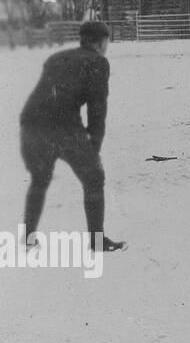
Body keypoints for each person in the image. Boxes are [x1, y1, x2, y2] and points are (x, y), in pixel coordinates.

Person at [19, 20, 125, 252]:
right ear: (101, 42)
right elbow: (97, 110)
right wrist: (93, 147)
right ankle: (97, 242)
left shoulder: (57, 58)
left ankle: (27, 237)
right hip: (63, 127)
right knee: (94, 178)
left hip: (30, 123)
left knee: (39, 179)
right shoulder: (97, 62)